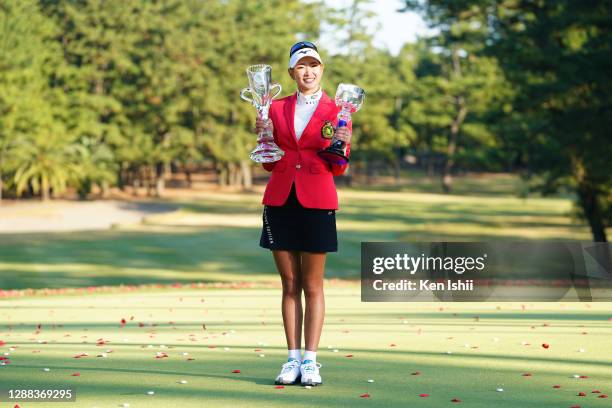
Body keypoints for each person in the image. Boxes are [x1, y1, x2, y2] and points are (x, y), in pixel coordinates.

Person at [255, 41, 352, 386]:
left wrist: (340, 143)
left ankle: (311, 361)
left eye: (314, 65)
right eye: (301, 66)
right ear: (291, 72)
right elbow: (268, 162)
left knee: (312, 284)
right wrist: (263, 136)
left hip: (318, 199)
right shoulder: (275, 108)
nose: (308, 71)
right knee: (289, 283)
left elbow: (338, 167)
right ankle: (292, 359)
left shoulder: (337, 110)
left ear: (322, 70)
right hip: (280, 199)